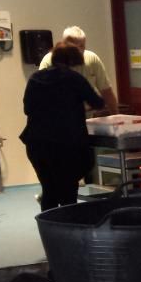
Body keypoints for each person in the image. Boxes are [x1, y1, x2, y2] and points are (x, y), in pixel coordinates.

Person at [21, 43, 104, 211]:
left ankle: (49, 228)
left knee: (49, 189)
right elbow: (97, 102)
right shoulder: (74, 78)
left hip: (37, 143)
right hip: (68, 143)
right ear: (73, 61)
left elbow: (27, 109)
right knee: (68, 191)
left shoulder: (35, 78)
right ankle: (69, 225)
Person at [39, 26, 118, 115]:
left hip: (88, 115)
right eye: (79, 46)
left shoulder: (91, 58)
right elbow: (41, 97)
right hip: (58, 116)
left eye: (84, 45)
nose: (83, 49)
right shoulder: (48, 61)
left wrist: (116, 117)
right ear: (66, 45)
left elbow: (106, 92)